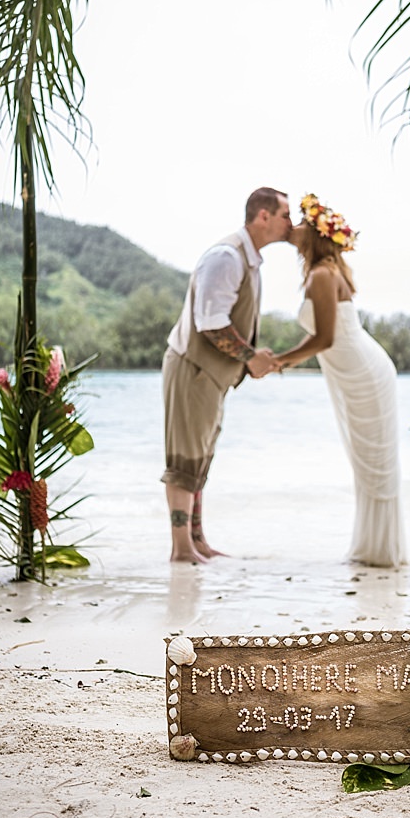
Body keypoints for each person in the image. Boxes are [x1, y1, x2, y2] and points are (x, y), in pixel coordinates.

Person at [274, 193, 406, 568]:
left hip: (365, 373)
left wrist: (280, 362)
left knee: (375, 462)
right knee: (367, 462)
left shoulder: (321, 275)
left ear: (315, 235)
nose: (294, 229)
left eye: (300, 223)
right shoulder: (327, 272)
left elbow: (324, 339)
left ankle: (382, 553)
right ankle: (376, 550)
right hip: (357, 370)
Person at [161, 187, 292, 563]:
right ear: (263, 216)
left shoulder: (248, 259)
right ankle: (181, 549)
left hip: (211, 375)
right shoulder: (226, 257)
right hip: (192, 368)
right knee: (184, 458)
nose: (291, 223)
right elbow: (210, 323)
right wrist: (251, 358)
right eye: (285, 215)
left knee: (201, 454)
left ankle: (197, 541)